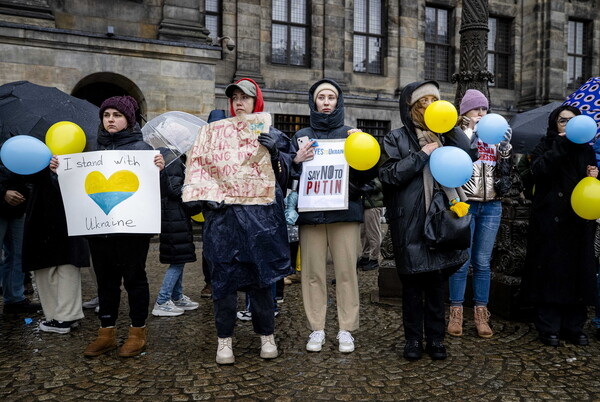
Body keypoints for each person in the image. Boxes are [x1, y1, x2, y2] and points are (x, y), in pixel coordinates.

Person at [50, 95, 165, 356]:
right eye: (106, 115)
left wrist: (161, 170)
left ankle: (138, 332)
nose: (111, 120)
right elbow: (75, 192)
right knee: (105, 282)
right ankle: (107, 333)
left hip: (132, 231)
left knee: (135, 279)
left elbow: (162, 192)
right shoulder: (92, 150)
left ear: (128, 119)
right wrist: (58, 174)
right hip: (98, 230)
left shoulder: (143, 150)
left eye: (117, 115)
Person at [379, 80, 478, 361]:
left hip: (441, 220)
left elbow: (470, 155)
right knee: (411, 286)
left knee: (436, 284)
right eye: (423, 103)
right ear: (410, 109)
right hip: (410, 222)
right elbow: (388, 175)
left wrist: (452, 129)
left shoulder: (446, 134)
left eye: (434, 101)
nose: (429, 107)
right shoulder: (395, 137)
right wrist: (422, 155)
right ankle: (412, 340)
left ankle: (435, 339)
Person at [202, 78, 292, 364]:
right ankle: (224, 341)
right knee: (224, 285)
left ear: (257, 102)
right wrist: (208, 198)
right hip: (225, 224)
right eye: (235, 98)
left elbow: (284, 182)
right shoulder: (215, 135)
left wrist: (276, 153)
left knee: (262, 283)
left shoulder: (273, 134)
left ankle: (267, 335)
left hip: (261, 223)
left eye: (246, 97)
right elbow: (202, 173)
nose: (239, 102)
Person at [291, 79, 375, 353]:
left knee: (346, 272)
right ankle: (317, 328)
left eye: (331, 97)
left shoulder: (351, 133)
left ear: (338, 102)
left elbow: (366, 178)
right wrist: (296, 161)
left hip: (345, 213)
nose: (326, 102)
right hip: (311, 215)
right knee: (312, 273)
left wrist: (361, 148)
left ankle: (345, 329)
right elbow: (291, 178)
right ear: (313, 102)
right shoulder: (301, 136)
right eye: (321, 97)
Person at [522, 105, 598, 347]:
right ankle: (549, 325)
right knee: (550, 272)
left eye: (572, 121)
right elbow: (539, 171)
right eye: (563, 120)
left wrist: (594, 176)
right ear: (555, 123)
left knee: (578, 271)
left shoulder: (587, 149)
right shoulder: (547, 144)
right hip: (551, 221)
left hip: (578, 220)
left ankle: (573, 326)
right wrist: (561, 145)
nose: (567, 124)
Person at [447, 89, 513, 338]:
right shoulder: (457, 134)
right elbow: (451, 167)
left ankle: (481, 314)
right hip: (466, 204)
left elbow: (506, 180)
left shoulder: (496, 135)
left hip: (492, 205)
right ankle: (455, 312)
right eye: (476, 109)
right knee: (461, 260)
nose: (481, 113)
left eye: (484, 109)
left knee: (483, 262)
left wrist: (505, 151)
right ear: (465, 112)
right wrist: (471, 138)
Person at [22, 162, 90, 333]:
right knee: (67, 262)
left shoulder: (35, 145)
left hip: (45, 208)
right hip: (68, 208)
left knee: (49, 265)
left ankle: (58, 318)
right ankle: (68, 315)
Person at [151, 132, 200, 317]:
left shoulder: (170, 155)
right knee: (177, 261)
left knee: (179, 257)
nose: (188, 141)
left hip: (174, 215)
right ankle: (163, 300)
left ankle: (177, 296)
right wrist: (191, 183)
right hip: (174, 216)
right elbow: (173, 189)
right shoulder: (171, 157)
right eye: (186, 138)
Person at [0, 165, 41, 315]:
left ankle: (14, 299)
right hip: (8, 199)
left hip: (18, 207)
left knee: (18, 255)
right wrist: (3, 193)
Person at [357, 177, 384, 271]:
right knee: (363, 233)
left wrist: (370, 184)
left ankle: (374, 259)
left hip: (373, 204)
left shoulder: (374, 171)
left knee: (373, 233)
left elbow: (380, 184)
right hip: (364, 205)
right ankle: (365, 256)